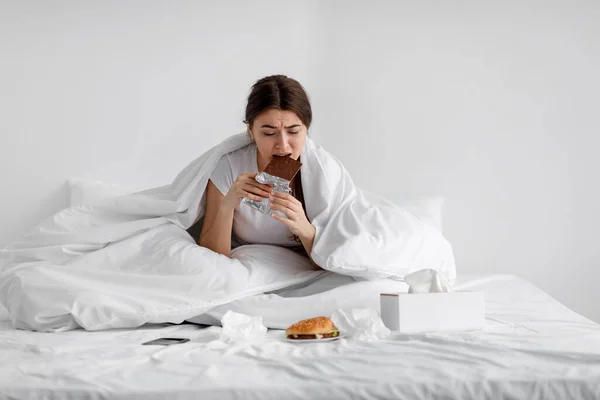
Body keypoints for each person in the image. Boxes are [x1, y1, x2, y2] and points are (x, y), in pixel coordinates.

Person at [199, 75, 317, 262]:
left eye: (293, 132)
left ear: (306, 129)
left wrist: (306, 230)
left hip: (303, 266)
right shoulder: (230, 166)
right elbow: (212, 258)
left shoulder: (321, 172)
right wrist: (228, 205)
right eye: (269, 133)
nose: (283, 145)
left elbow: (333, 261)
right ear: (251, 131)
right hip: (248, 264)